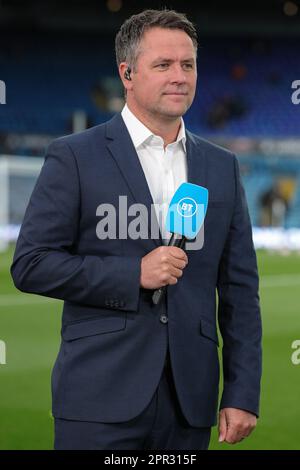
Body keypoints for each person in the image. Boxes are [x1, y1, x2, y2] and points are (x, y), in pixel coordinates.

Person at [11, 9, 262, 450]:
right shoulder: (74, 157)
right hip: (98, 399)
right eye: (163, 65)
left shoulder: (222, 166)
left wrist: (242, 393)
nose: (180, 76)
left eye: (188, 65)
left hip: (190, 403)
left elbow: (240, 290)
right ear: (127, 73)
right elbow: (31, 264)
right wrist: (132, 274)